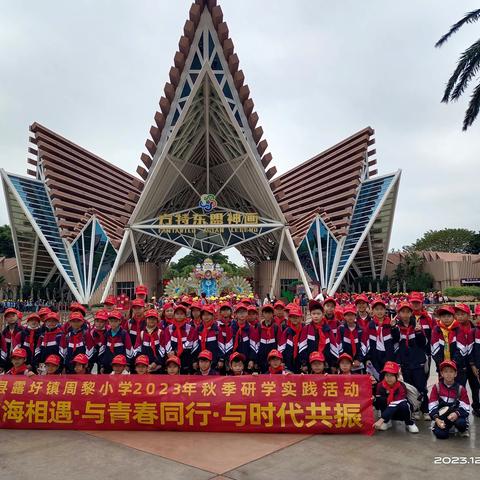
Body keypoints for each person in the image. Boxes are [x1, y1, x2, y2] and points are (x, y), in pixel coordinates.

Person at [395, 301, 430, 420]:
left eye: (407, 312)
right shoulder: (396, 327)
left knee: (421, 387)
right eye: (402, 312)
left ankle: (425, 409)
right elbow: (394, 345)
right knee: (409, 388)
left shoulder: (417, 325)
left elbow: (424, 344)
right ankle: (414, 409)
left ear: (411, 313)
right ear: (398, 313)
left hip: (418, 362)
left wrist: (419, 332)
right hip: (405, 363)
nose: (405, 314)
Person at [429, 359, 470, 439]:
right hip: (442, 415)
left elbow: (466, 407)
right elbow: (432, 405)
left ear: (455, 374)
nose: (448, 374)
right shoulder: (436, 387)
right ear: (441, 374)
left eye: (451, 371)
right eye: (446, 371)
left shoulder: (461, 389)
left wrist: (456, 414)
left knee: (461, 424)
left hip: (456, 415)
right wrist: (437, 419)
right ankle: (443, 427)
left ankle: (461, 429)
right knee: (441, 435)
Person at [373, 361, 419, 433]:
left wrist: (381, 419)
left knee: (403, 404)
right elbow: (378, 404)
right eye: (387, 375)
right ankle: (387, 422)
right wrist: (374, 398)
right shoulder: (380, 386)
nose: (389, 378)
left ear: (397, 376)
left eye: (391, 375)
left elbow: (396, 403)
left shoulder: (401, 386)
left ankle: (409, 423)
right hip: (388, 412)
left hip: (400, 412)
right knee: (380, 399)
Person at [431, 305, 469, 385]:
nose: (446, 318)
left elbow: (462, 348)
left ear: (453, 317)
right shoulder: (436, 329)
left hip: (458, 367)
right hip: (442, 367)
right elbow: (434, 348)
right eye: (443, 316)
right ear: (440, 317)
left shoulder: (458, 329)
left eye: (449, 316)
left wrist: (453, 363)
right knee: (443, 390)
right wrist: (442, 364)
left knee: (459, 390)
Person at [454, 303, 480, 416]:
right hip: (459, 364)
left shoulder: (474, 329)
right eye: (457, 314)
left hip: (472, 363)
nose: (460, 317)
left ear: (469, 316)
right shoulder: (452, 329)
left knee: (475, 387)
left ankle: (476, 406)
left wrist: (473, 364)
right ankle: (460, 409)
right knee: (460, 388)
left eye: (462, 314)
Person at [300, 300, 337, 373]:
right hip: (310, 364)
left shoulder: (327, 329)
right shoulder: (306, 329)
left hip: (325, 364)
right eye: (313, 314)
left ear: (323, 314)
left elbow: (333, 347)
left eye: (318, 314)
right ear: (310, 315)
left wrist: (333, 364)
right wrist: (304, 363)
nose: (316, 316)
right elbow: (302, 347)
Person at [190, 304, 222, 371]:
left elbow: (221, 346)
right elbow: (195, 346)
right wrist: (194, 360)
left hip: (214, 361)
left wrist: (221, 359)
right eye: (204, 315)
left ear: (212, 316)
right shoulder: (199, 329)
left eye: (208, 314)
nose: (206, 317)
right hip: (201, 361)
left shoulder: (217, 329)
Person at [336, 304, 366, 373]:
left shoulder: (361, 330)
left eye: (352, 315)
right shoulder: (341, 329)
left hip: (358, 363)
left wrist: (359, 359)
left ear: (355, 316)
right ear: (344, 316)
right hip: (344, 362)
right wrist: (344, 359)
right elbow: (338, 344)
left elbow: (364, 346)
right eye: (348, 315)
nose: (350, 317)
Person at [134, 308, 166, 373]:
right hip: (143, 367)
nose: (152, 320)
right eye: (149, 318)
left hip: (157, 367)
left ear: (157, 320)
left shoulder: (160, 333)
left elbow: (163, 350)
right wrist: (143, 363)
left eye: (154, 319)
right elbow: (137, 349)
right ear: (146, 320)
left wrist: (156, 363)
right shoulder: (141, 333)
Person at [231, 303, 258, 373]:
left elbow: (253, 345)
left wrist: (252, 359)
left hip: (247, 360)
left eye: (244, 312)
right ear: (236, 314)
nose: (242, 314)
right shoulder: (231, 328)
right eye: (239, 312)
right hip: (233, 361)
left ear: (247, 314)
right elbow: (228, 345)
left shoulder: (250, 328)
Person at [167, 304, 193, 374]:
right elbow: (166, 341)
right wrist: (170, 352)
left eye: (182, 314)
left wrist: (176, 352)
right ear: (174, 315)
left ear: (185, 315)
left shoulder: (189, 328)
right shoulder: (169, 328)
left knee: (184, 378)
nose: (179, 316)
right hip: (171, 356)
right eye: (177, 314)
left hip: (185, 356)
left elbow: (189, 342)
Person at [279, 305, 305, 373]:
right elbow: (281, 348)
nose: (295, 319)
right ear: (289, 318)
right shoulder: (287, 331)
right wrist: (281, 361)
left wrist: (305, 363)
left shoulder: (305, 330)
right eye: (293, 317)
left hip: (302, 365)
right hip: (288, 364)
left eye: (297, 317)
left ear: (301, 318)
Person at [258, 304, 281, 373]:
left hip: (273, 358)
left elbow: (279, 343)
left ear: (272, 314)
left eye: (269, 313)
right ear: (263, 314)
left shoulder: (276, 327)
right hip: (262, 357)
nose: (267, 315)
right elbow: (257, 342)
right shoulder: (259, 327)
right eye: (266, 313)